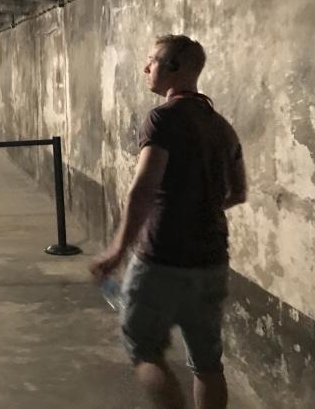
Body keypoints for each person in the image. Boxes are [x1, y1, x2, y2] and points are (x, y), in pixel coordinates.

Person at [90, 35, 247, 409]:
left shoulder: (163, 118)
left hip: (162, 258)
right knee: (207, 364)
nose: (146, 68)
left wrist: (116, 251)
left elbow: (143, 190)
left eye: (152, 61)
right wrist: (199, 208)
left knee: (145, 351)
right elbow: (238, 193)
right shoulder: (222, 126)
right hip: (212, 261)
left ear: (174, 67)